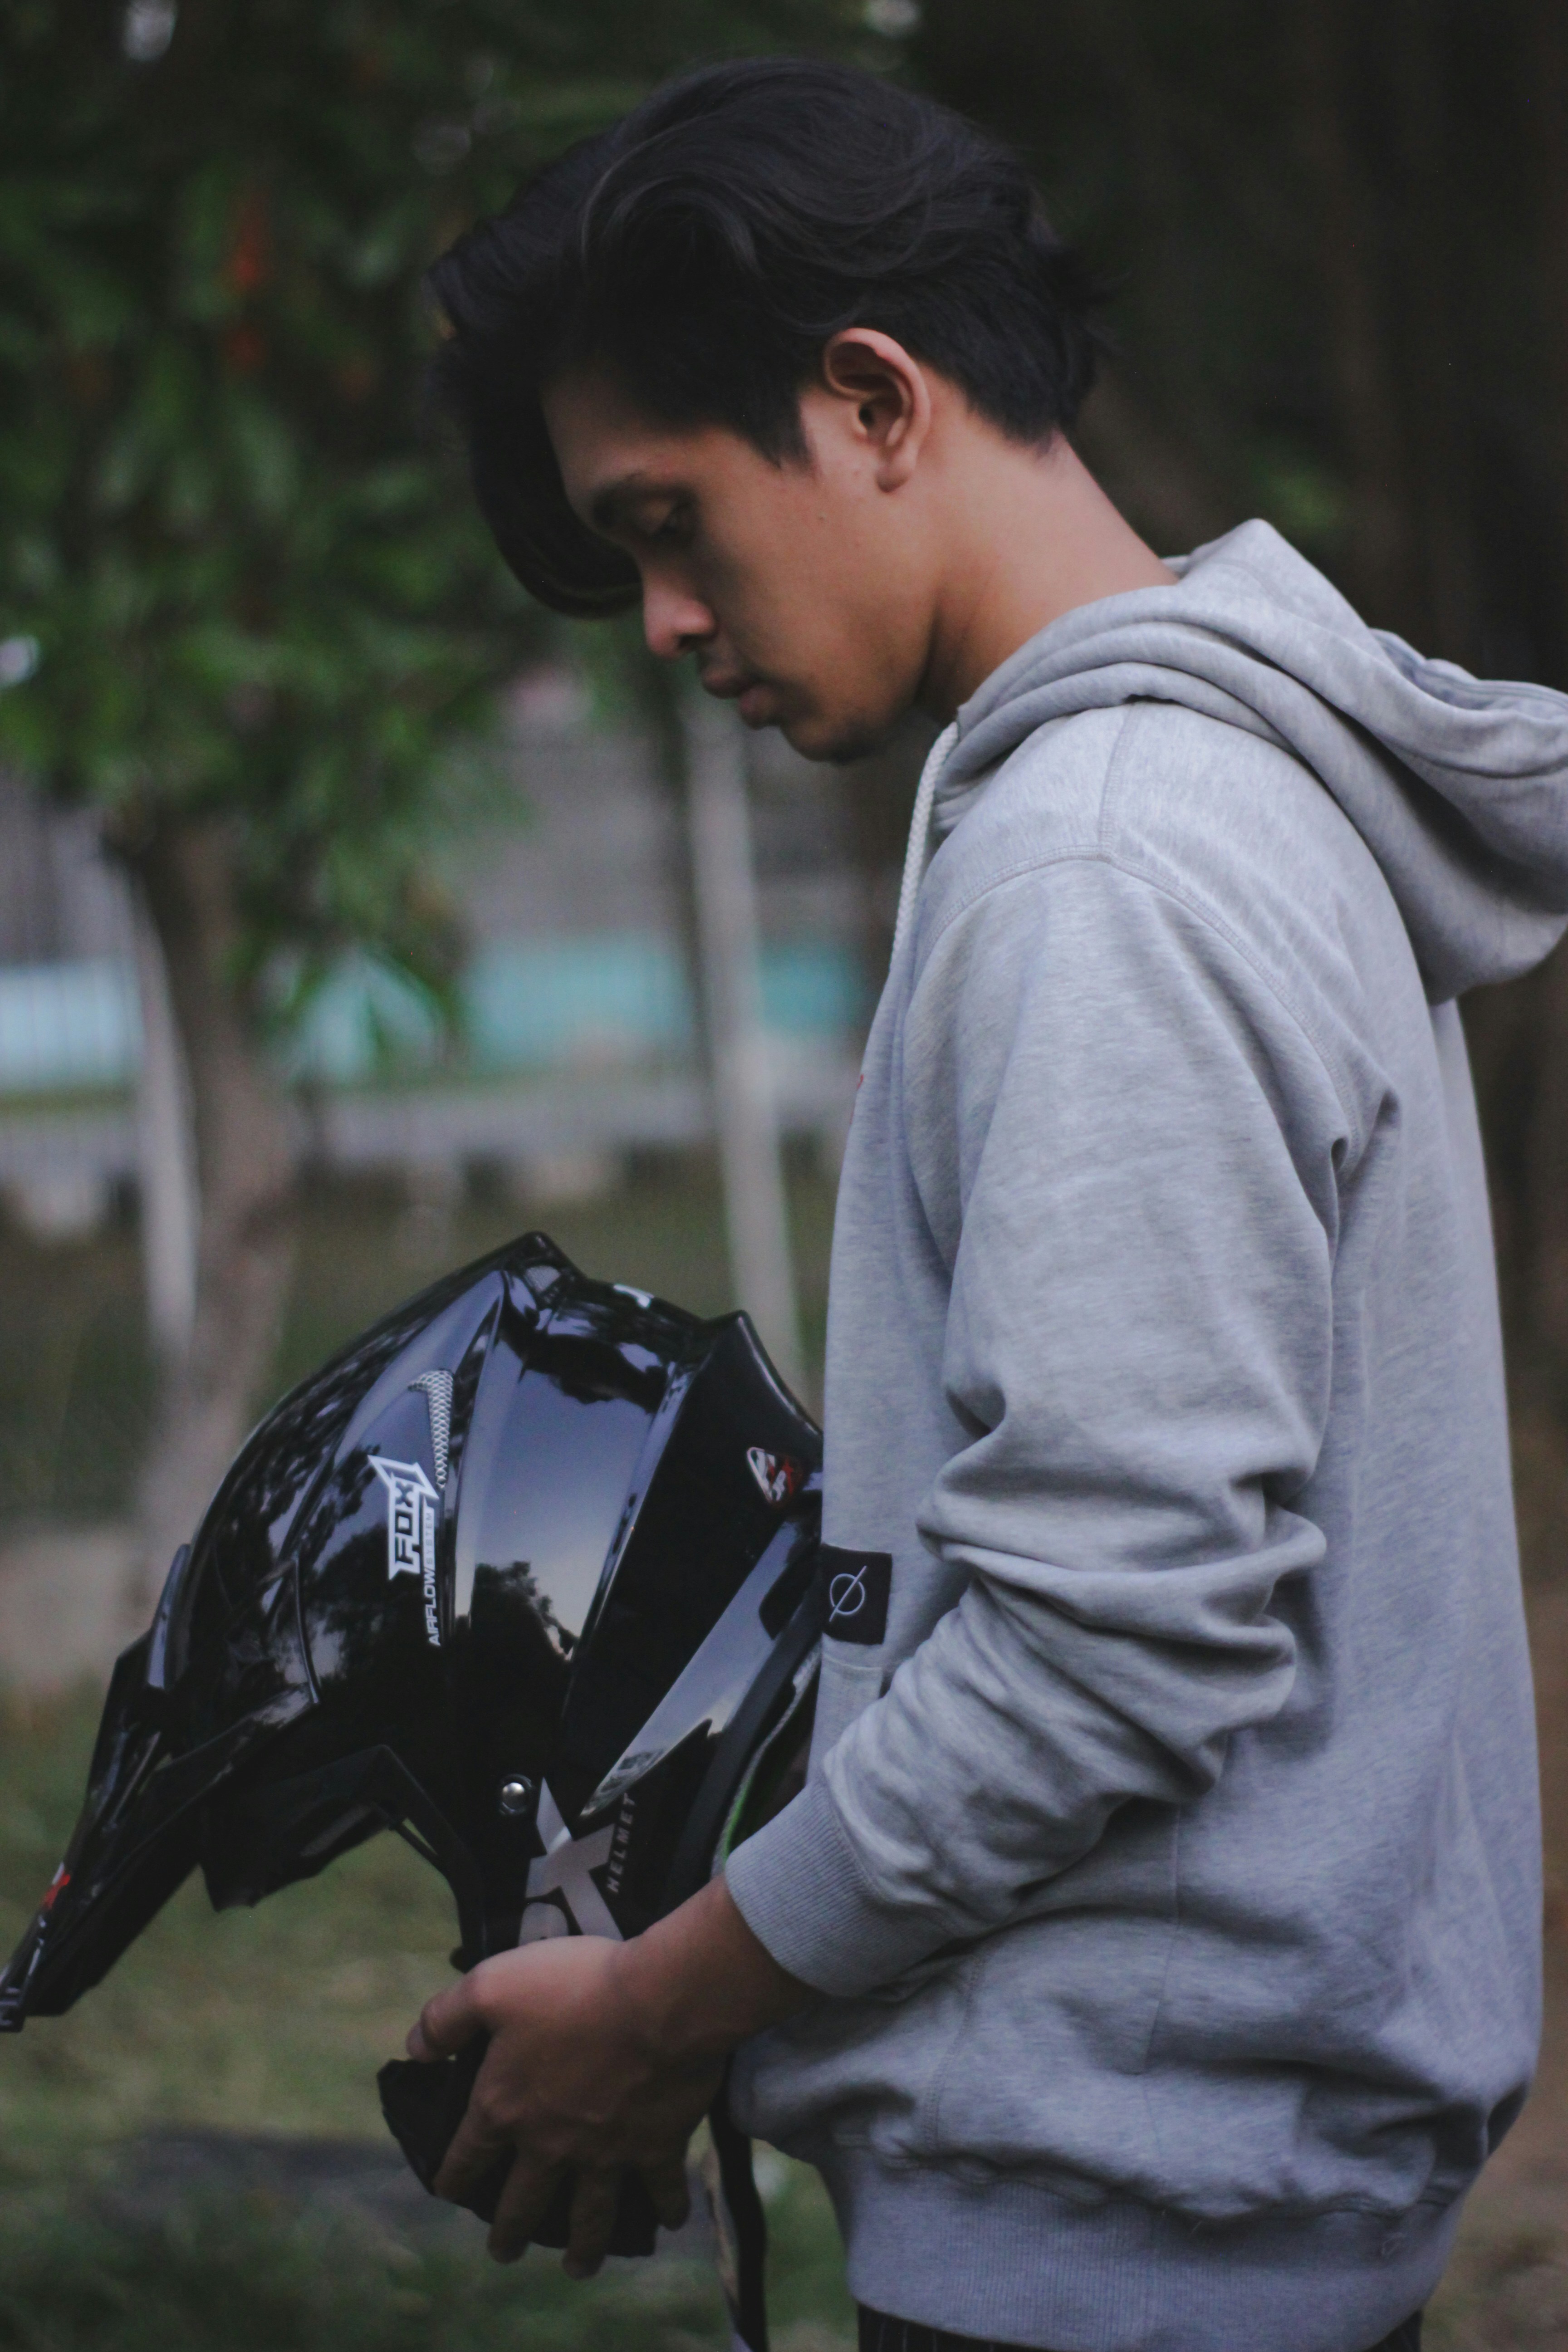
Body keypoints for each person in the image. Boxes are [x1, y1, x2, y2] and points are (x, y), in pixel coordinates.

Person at [407, 57, 1564, 2352]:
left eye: (669, 522)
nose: (659, 619)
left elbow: (1107, 1640)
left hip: (1122, 2245)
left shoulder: (1104, 864)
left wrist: (665, 2000)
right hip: (1205, 2209)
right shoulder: (1218, 798)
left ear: (868, 400)